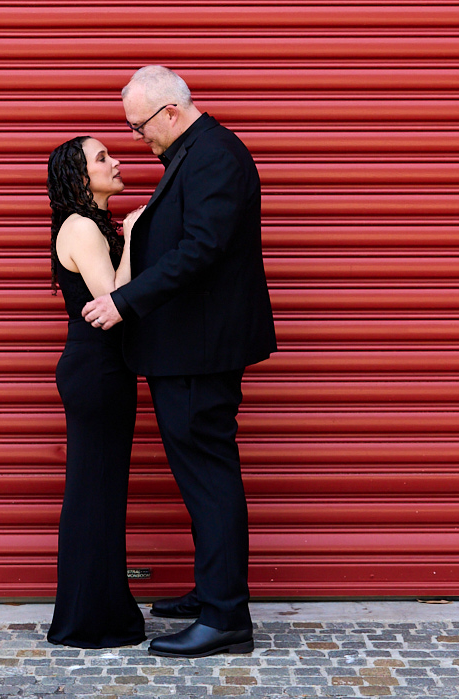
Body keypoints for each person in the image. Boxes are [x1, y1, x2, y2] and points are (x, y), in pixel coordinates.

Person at [81, 64, 275, 658]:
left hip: (201, 349)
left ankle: (225, 618)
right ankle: (214, 591)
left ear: (169, 111)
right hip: (188, 346)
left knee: (209, 478)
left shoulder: (214, 155)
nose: (138, 139)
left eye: (140, 127)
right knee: (199, 477)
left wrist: (123, 300)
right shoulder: (197, 153)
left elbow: (202, 248)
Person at [43, 134, 150, 648]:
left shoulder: (88, 225)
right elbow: (113, 300)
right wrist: (132, 237)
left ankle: (97, 611)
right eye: (102, 158)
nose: (116, 161)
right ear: (79, 176)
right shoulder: (82, 226)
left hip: (103, 371)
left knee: (99, 494)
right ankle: (88, 620)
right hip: (96, 372)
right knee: (93, 496)